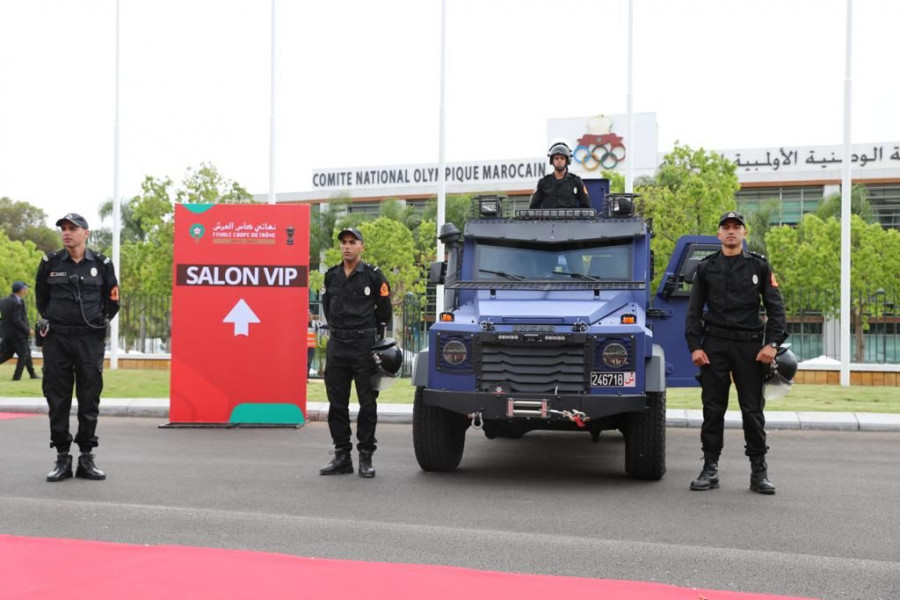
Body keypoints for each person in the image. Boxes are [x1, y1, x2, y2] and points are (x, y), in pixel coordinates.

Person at [685, 210, 787, 495]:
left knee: (752, 411)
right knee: (712, 410)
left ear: (744, 233)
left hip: (750, 348)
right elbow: (693, 311)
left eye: (736, 227)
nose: (731, 231)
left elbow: (776, 308)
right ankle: (710, 469)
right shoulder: (706, 268)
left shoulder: (759, 266)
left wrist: (772, 344)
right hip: (715, 346)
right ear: (719, 234)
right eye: (726, 227)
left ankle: (759, 472)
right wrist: (695, 346)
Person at [35, 213, 119, 483]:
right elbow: (42, 300)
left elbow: (113, 300)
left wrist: (97, 323)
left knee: (89, 398)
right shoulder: (49, 263)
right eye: (64, 228)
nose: (67, 233)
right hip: (57, 340)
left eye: (73, 228)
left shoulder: (102, 264)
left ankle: (86, 457)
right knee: (57, 399)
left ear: (86, 233)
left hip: (89, 341)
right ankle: (62, 457)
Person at [319, 227, 392, 479]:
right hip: (338, 345)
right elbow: (327, 307)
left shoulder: (373, 276)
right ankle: (342, 456)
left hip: (363, 346)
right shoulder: (331, 275)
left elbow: (384, 312)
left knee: (367, 403)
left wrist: (375, 342)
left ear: (362, 246)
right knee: (336, 403)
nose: (347, 246)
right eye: (344, 242)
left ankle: (366, 456)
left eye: (352, 242)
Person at [529, 140, 591, 209]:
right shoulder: (543, 182)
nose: (559, 160)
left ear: (567, 160)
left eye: (562, 158)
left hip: (570, 216)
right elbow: (533, 207)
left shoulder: (576, 181)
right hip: (549, 216)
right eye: (556, 158)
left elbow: (586, 206)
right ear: (552, 161)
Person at [0, 281, 39, 380]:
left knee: (8, 354)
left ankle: (32, 374)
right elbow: (17, 320)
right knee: (24, 354)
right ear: (21, 290)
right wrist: (28, 330)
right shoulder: (18, 303)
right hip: (18, 335)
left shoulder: (3, 301)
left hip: (6, 334)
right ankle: (17, 376)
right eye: (26, 288)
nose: (27, 290)